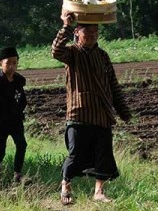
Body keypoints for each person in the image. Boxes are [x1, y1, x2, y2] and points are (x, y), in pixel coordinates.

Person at [54, 11, 131, 205]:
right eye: (87, 30)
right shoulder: (71, 53)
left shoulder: (102, 56)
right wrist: (66, 26)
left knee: (103, 154)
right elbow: (55, 50)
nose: (92, 34)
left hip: (102, 113)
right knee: (76, 153)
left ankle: (99, 191)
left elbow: (113, 84)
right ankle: (66, 185)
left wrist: (122, 110)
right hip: (79, 112)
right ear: (78, 32)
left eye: (95, 31)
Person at [0, 46, 27, 183]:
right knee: (0, 151)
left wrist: (19, 111)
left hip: (15, 120)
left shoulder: (19, 80)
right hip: (1, 123)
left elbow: (22, 99)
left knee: (21, 145)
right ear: (0, 64)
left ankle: (17, 173)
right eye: (8, 63)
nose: (12, 66)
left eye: (14, 63)